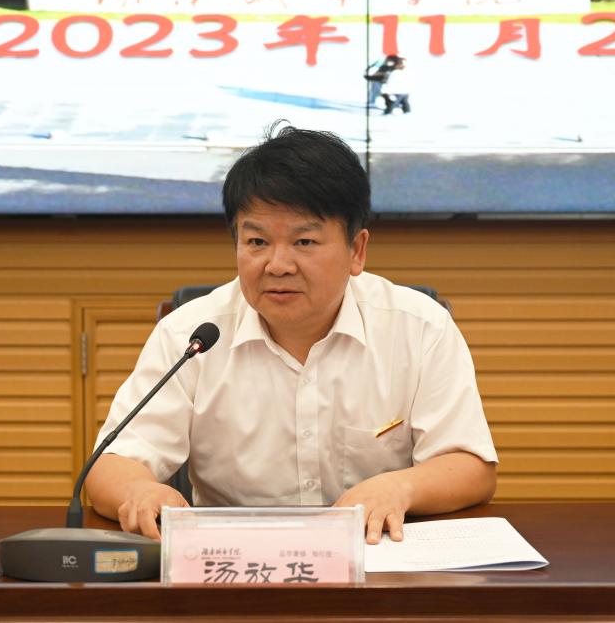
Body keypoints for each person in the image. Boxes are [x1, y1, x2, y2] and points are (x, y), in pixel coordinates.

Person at [86, 123, 497, 544]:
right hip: (233, 563)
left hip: (376, 559)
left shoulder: (419, 327)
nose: (278, 265)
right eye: (257, 242)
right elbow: (109, 465)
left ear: (357, 250)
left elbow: (471, 466)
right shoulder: (189, 336)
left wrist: (399, 487)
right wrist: (138, 491)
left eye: (304, 242)